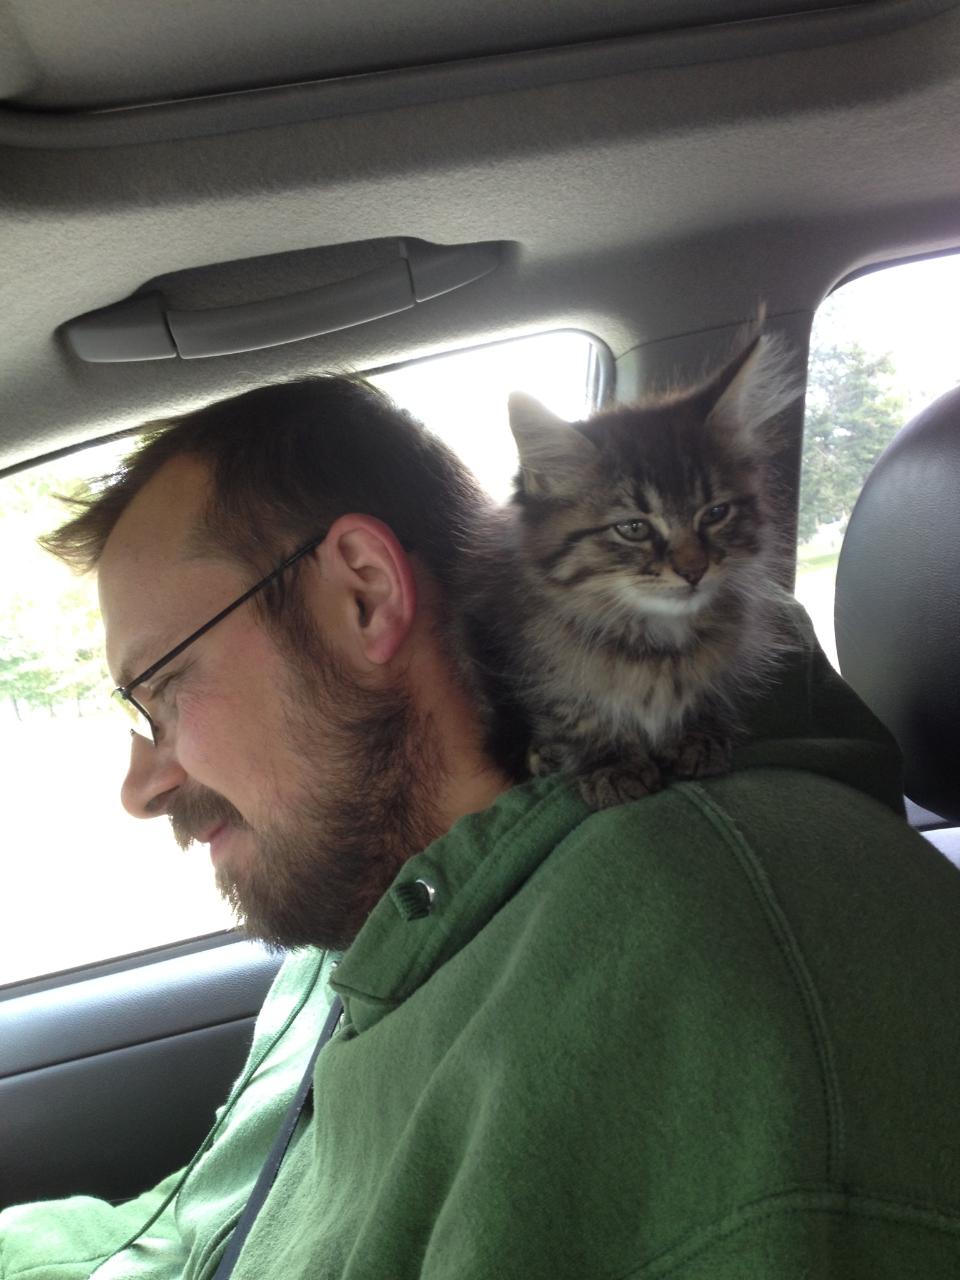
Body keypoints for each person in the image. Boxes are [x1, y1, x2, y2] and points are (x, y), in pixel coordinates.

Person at [2, 375, 959, 1279]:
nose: (141, 787)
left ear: (365, 594)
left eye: (162, 688)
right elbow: (191, 1226)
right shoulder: (382, 896)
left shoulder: (699, 947)